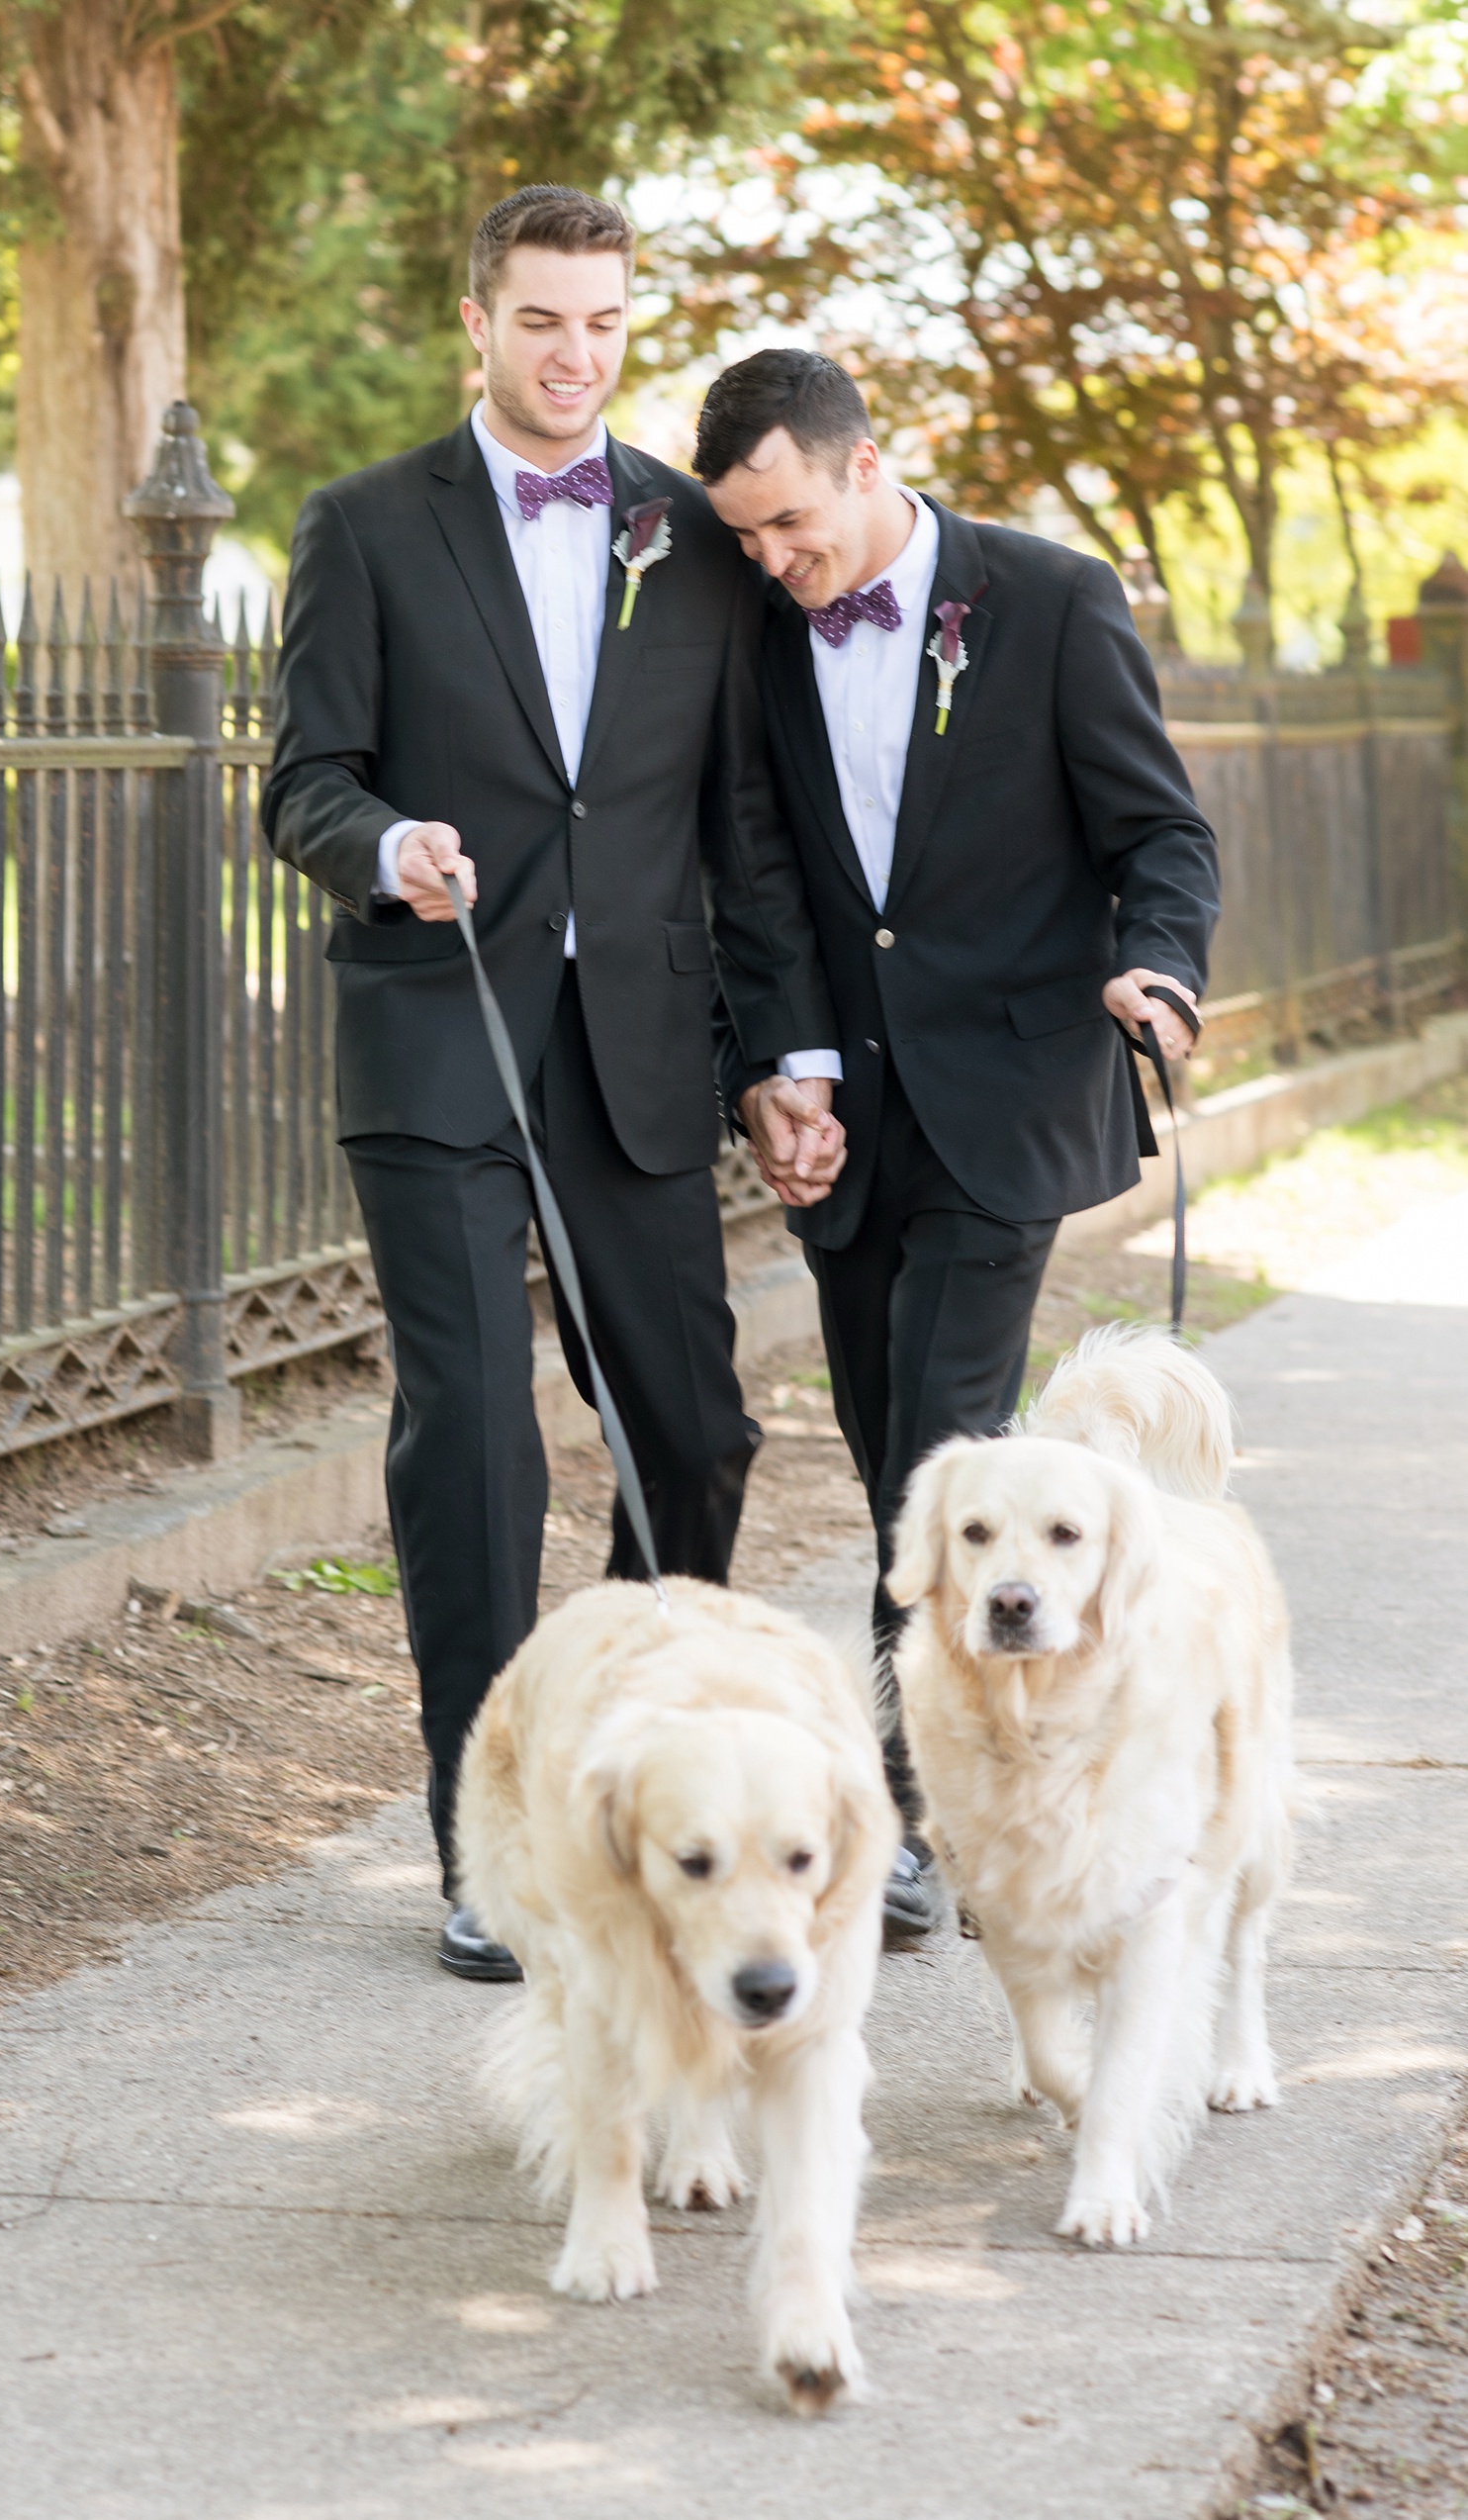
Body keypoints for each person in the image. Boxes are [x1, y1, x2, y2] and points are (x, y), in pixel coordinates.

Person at [262, 193, 844, 1980]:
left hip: (647, 1052)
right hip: (440, 1035)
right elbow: (302, 785)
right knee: (480, 1446)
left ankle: (624, 1766)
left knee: (693, 1430)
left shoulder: (690, 524)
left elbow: (743, 821)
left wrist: (783, 1054)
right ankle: (484, 1840)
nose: (573, 353)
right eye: (539, 321)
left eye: (600, 322)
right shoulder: (364, 527)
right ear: (479, 322)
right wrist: (389, 843)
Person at [696, 349, 1219, 1930]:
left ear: (866, 466)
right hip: (849, 1121)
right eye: (746, 541)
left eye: (790, 523)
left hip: (1012, 1095)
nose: (775, 563)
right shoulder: (757, 634)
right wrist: (780, 1066)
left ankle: (895, 1824)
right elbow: (759, 869)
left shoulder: (1050, 600)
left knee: (941, 1445)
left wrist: (1166, 967)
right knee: (893, 1474)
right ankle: (1008, 1751)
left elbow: (1158, 829)